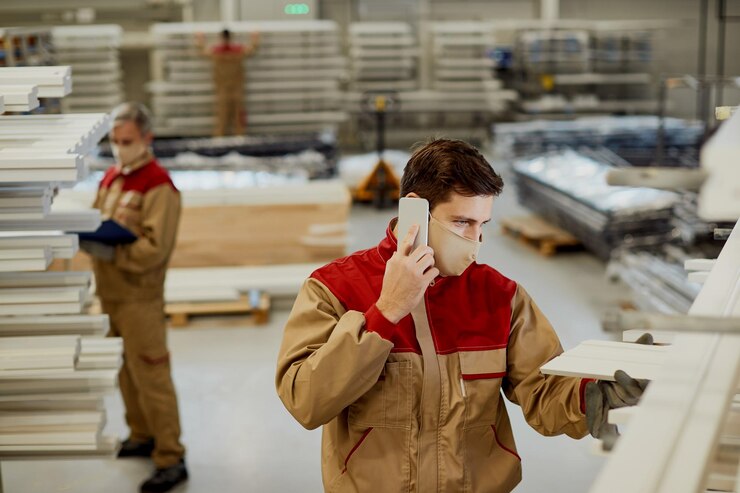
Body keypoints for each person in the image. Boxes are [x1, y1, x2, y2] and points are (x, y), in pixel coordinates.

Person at [275, 138, 647, 492]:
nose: (475, 241)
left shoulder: (501, 297)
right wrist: (386, 312)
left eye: (481, 224)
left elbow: (545, 391)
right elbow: (305, 401)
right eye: (461, 222)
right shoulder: (334, 289)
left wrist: (598, 395)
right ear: (414, 211)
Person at [81, 102, 187, 493]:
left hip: (140, 298)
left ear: (147, 139)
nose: (120, 147)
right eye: (114, 140)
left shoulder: (158, 185)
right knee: (124, 370)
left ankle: (171, 456)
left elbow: (155, 249)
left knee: (151, 373)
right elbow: (95, 219)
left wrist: (114, 250)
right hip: (110, 293)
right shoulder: (110, 177)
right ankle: (142, 434)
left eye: (127, 141)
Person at [195, 28, 260, 137]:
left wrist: (255, 38)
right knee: (222, 112)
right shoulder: (225, 50)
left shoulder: (233, 50)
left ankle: (238, 134)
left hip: (234, 87)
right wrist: (200, 40)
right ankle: (221, 134)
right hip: (224, 87)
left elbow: (251, 50)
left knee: (237, 112)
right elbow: (251, 49)